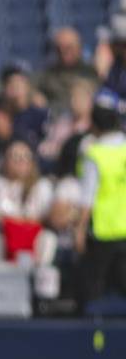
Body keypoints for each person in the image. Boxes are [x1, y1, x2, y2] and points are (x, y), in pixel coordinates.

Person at [74, 93, 126, 304]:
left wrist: (79, 229)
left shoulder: (94, 154)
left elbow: (88, 196)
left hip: (104, 231)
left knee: (93, 290)